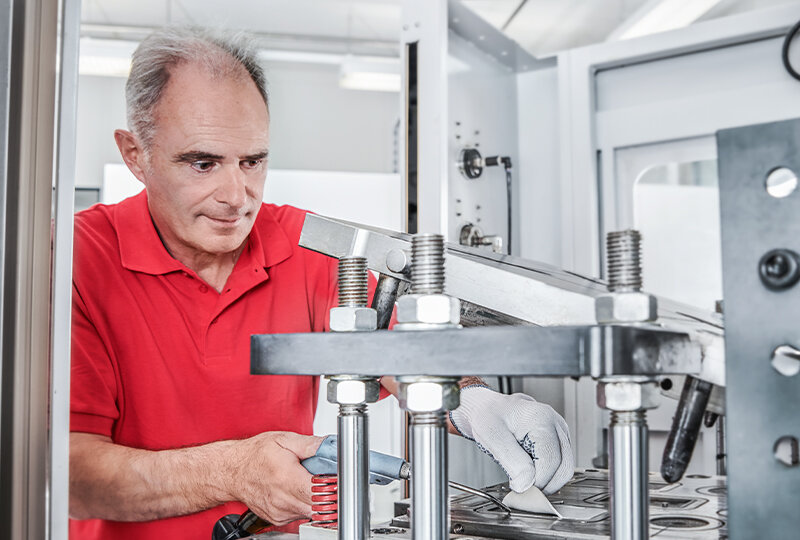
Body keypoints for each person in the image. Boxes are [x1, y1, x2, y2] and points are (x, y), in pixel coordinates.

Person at [69, 27, 573, 539]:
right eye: (203, 163)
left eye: (253, 161)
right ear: (135, 155)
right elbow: (72, 475)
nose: (237, 195)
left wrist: (475, 402)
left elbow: (402, 350)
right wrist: (233, 471)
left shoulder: (303, 245)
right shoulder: (75, 257)